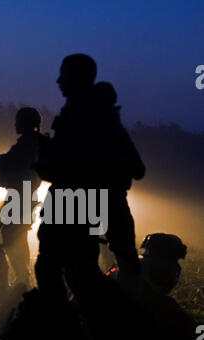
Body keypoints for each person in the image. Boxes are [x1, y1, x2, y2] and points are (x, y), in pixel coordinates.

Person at [34, 54, 145, 308]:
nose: (58, 80)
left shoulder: (78, 116)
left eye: (64, 74)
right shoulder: (105, 118)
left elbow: (71, 169)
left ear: (78, 78)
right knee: (83, 271)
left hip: (74, 203)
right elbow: (137, 169)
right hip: (93, 202)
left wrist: (45, 161)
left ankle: (67, 326)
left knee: (60, 269)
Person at [0, 107, 42, 286]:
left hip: (21, 198)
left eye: (18, 120)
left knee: (12, 235)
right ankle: (23, 276)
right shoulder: (34, 143)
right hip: (25, 197)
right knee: (17, 235)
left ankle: (23, 278)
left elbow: (3, 162)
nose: (15, 124)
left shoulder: (26, 144)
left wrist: (3, 173)